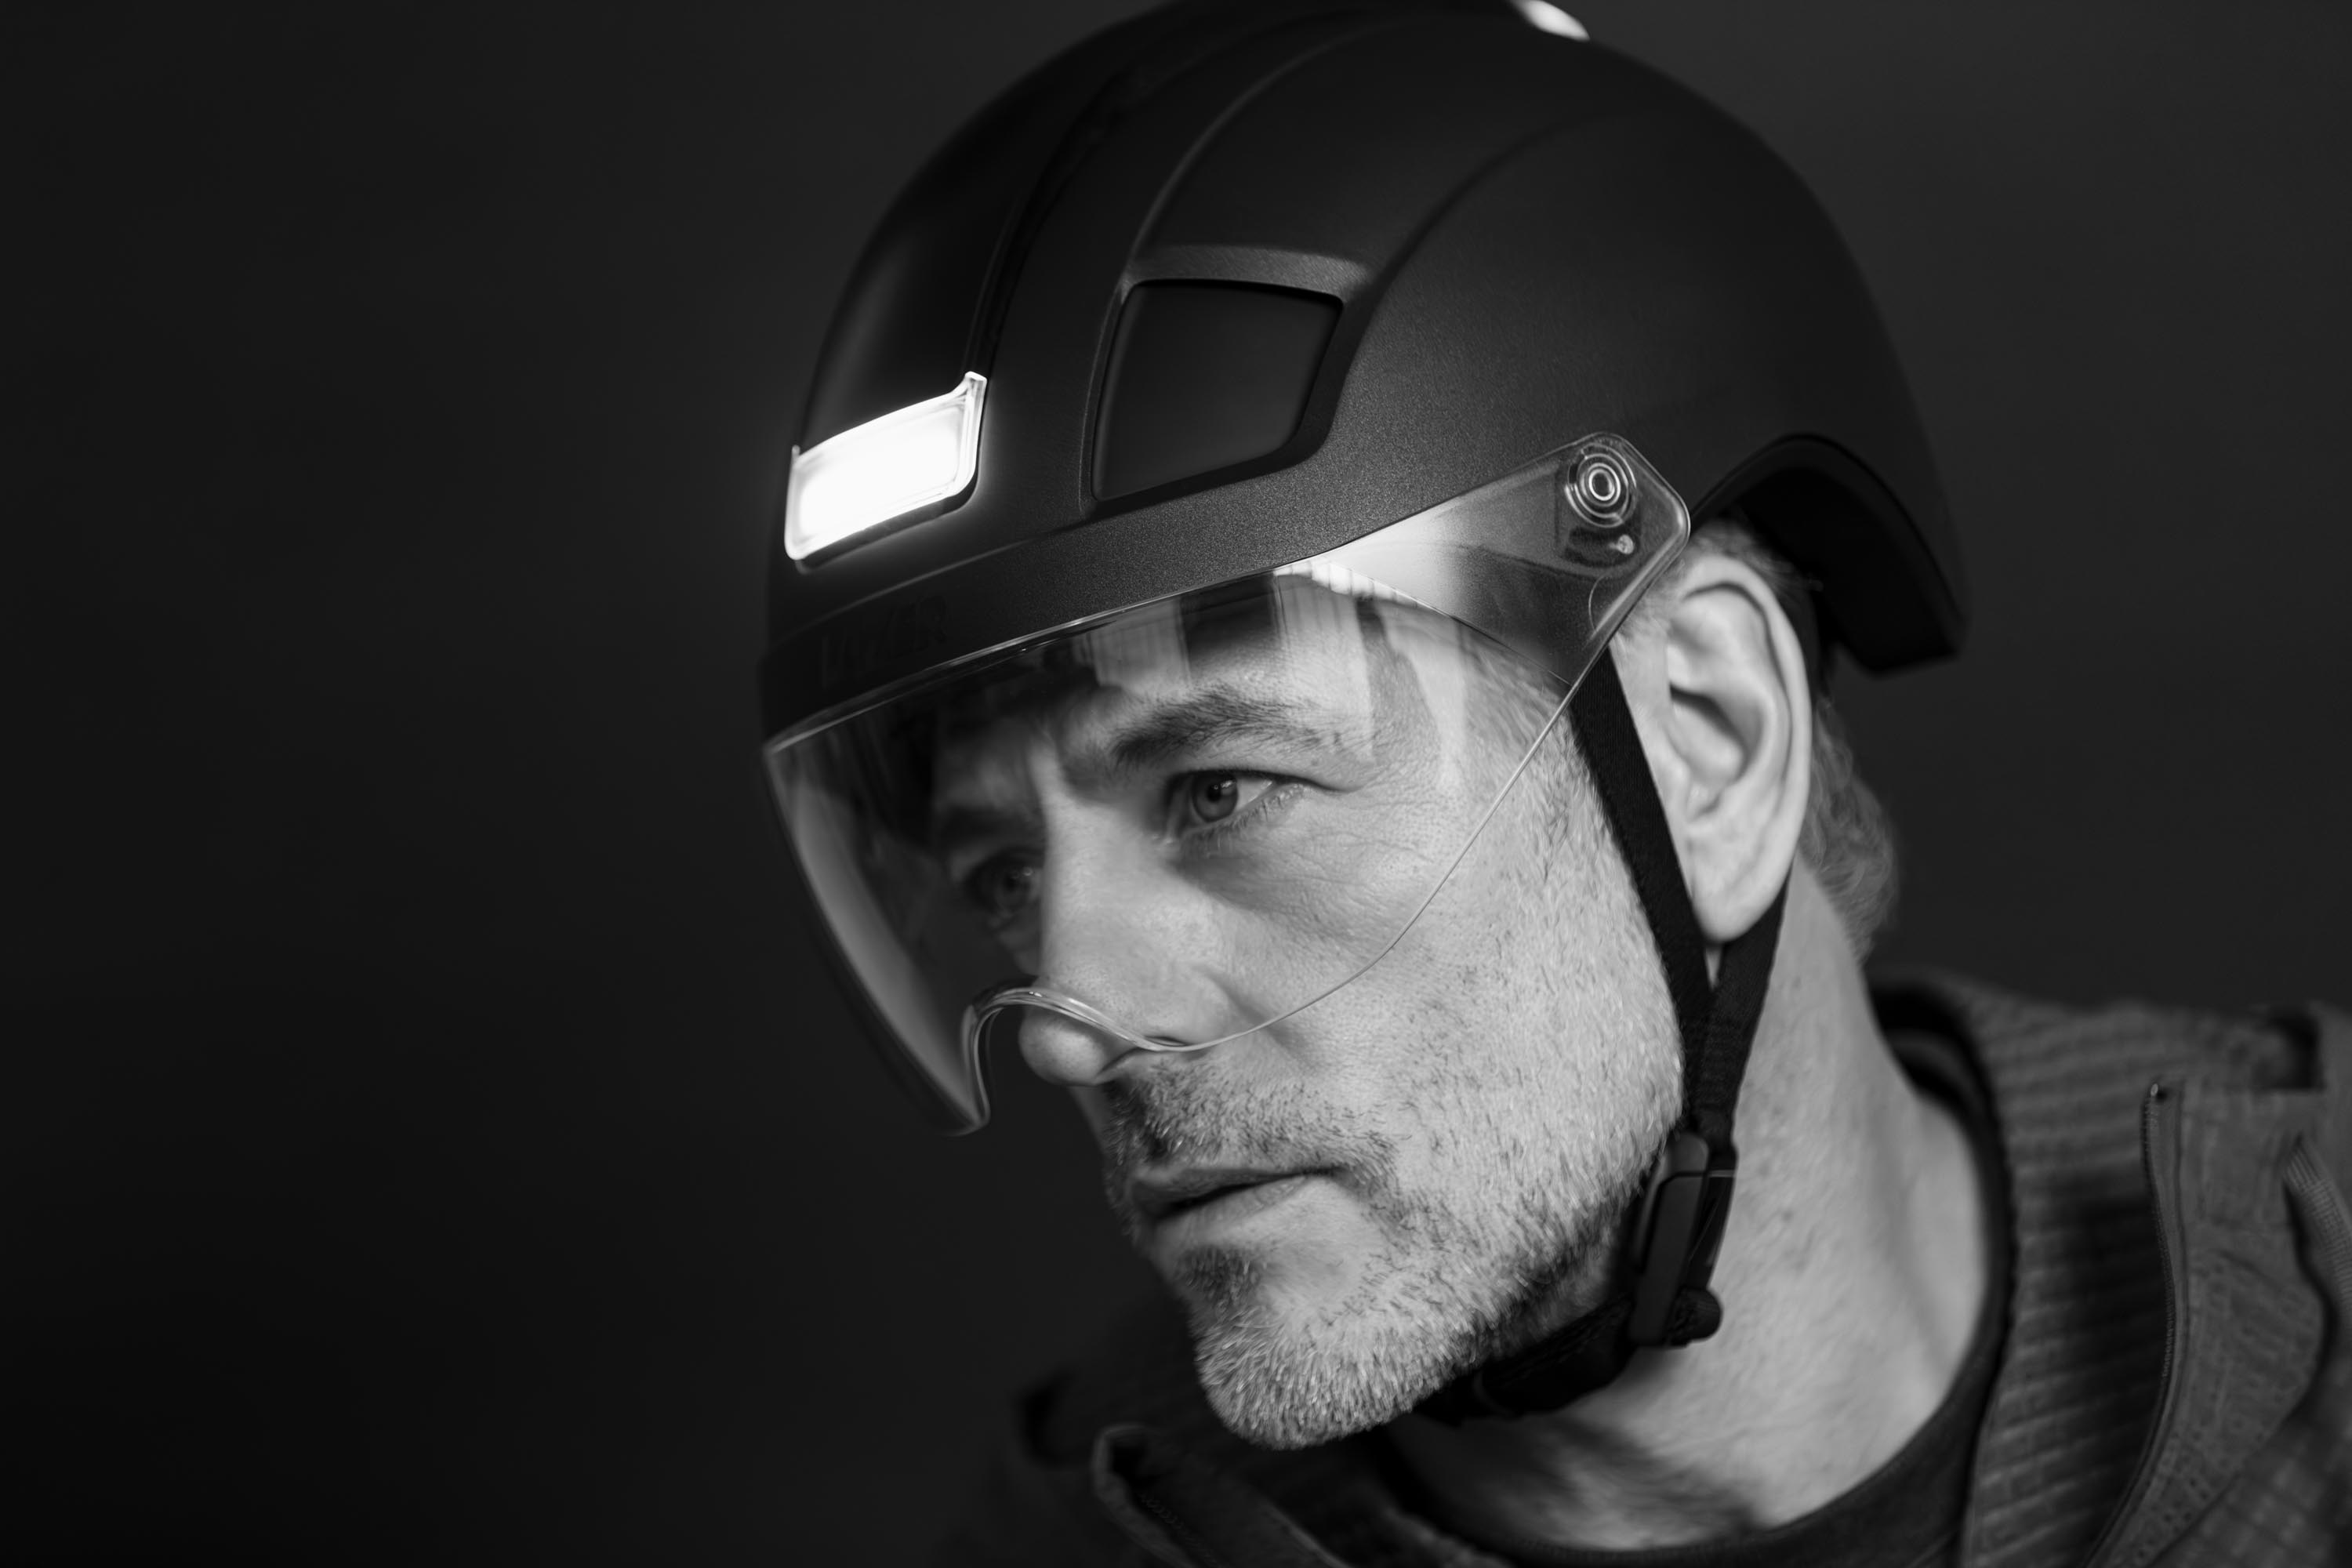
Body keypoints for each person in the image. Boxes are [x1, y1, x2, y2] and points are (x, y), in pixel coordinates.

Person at [756, 2, 2352, 1561]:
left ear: (1710, 742)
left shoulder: (2319, 1297)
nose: (1066, 1015)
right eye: (1005, 877)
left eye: (1219, 789)